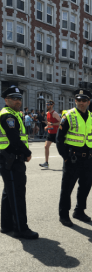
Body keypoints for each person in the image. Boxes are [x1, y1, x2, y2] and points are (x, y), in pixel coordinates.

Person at [56, 89, 92, 227]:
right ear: (75, 101)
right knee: (67, 188)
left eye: (84, 100)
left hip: (88, 159)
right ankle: (64, 214)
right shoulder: (68, 115)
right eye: (79, 100)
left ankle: (79, 211)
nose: (81, 103)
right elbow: (59, 138)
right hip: (72, 158)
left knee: (85, 186)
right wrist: (65, 157)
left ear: (88, 102)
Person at [0, 86, 38, 239]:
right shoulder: (8, 116)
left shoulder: (13, 114)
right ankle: (21, 229)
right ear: (6, 100)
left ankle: (6, 225)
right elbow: (14, 139)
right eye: (14, 98)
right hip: (12, 159)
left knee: (8, 194)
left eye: (19, 98)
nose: (18, 101)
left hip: (9, 159)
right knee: (17, 195)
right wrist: (27, 153)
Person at [39, 100, 60, 168]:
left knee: (62, 148)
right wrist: (47, 126)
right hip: (50, 133)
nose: (47, 106)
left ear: (52, 105)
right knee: (46, 146)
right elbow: (49, 122)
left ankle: (67, 162)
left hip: (56, 133)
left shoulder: (55, 113)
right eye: (46, 104)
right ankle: (46, 163)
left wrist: (52, 124)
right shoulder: (47, 113)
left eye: (48, 104)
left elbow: (61, 122)